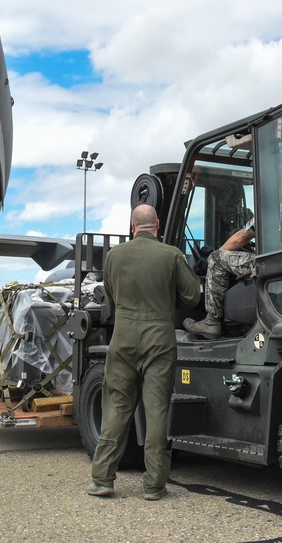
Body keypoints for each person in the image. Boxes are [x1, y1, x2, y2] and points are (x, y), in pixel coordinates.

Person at [87, 204, 201, 502]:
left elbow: (109, 296)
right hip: (159, 338)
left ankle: (102, 479)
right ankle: (153, 485)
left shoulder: (114, 256)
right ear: (158, 224)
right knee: (156, 411)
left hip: (123, 336)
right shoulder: (171, 254)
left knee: (116, 407)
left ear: (132, 225)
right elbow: (192, 295)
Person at [184, 191, 282, 340]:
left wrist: (216, 255)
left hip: (279, 263)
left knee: (217, 259)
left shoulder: (276, 208)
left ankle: (211, 321)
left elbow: (242, 236)